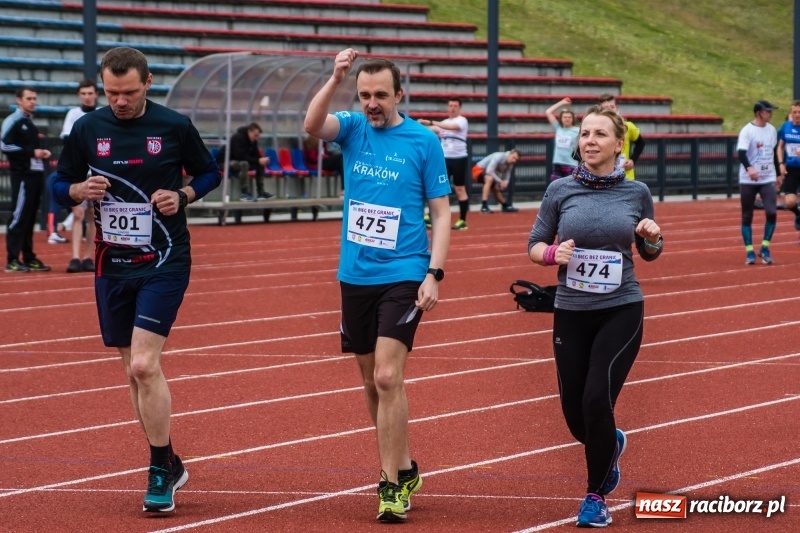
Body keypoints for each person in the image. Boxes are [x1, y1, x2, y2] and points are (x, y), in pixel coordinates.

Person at [51, 46, 221, 512]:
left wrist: (183, 195)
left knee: (145, 365)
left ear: (147, 83)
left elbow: (210, 173)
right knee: (132, 370)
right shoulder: (87, 129)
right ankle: (170, 459)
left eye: (128, 92)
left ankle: (158, 468)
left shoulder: (173, 125)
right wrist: (78, 190)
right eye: (111, 93)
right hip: (112, 262)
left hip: (164, 258)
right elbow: (58, 183)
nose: (119, 101)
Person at [303, 48, 450, 522]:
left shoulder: (423, 141)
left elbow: (443, 213)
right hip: (356, 274)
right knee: (370, 381)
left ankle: (390, 484)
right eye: (364, 94)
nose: (371, 102)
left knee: (388, 377)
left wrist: (434, 272)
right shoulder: (351, 129)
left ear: (399, 95)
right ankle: (404, 465)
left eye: (380, 95)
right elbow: (311, 125)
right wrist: (335, 78)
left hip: (404, 270)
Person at [527, 105, 662, 527]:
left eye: (599, 134)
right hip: (571, 310)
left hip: (621, 308)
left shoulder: (636, 192)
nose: (589, 141)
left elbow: (650, 252)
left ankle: (595, 496)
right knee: (574, 413)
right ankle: (610, 445)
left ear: (617, 144)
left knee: (595, 400)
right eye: (585, 134)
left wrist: (652, 237)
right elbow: (534, 244)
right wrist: (552, 254)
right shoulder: (560, 191)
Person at [48, 79, 100, 272]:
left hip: (95, 171)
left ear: (96, 95)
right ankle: (75, 257)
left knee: (92, 215)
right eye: (84, 93)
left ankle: (88, 257)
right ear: (79, 95)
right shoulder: (73, 114)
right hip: (78, 172)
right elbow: (69, 141)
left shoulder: (102, 114)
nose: (87, 96)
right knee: (78, 214)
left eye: (90, 93)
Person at [2, 86, 52, 272]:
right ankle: (12, 259)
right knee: (19, 216)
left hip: (34, 175)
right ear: (19, 100)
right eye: (29, 98)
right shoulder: (14, 120)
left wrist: (39, 154)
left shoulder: (29, 122)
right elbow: (4, 146)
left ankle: (28, 256)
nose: (33, 101)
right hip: (22, 175)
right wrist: (33, 152)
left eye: (34, 98)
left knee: (30, 217)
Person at [738, 100, 780, 264]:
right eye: (768, 111)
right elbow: (741, 153)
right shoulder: (747, 131)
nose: (770, 114)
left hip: (767, 177)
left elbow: (774, 152)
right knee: (747, 215)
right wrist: (749, 168)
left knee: (771, 212)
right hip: (748, 180)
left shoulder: (771, 131)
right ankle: (749, 251)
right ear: (758, 113)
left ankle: (765, 247)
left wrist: (777, 173)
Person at [418, 99, 470, 230]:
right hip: (444, 159)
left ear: (459, 108)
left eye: (455, 106)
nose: (452, 108)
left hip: (459, 159)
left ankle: (462, 220)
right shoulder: (444, 122)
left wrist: (430, 122)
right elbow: (433, 129)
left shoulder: (462, 120)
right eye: (450, 106)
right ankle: (429, 216)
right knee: (437, 187)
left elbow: (452, 127)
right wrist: (418, 125)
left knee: (459, 189)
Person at [215, 122, 274, 201]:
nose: (257, 138)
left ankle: (261, 192)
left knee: (259, 164)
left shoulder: (253, 140)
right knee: (244, 164)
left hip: (239, 161)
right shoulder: (237, 138)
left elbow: (255, 155)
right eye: (255, 135)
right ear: (249, 131)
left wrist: (261, 160)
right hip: (225, 162)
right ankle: (244, 193)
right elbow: (240, 156)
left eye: (258, 136)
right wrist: (258, 160)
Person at [598, 94, 645, 180]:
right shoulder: (596, 128)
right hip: (603, 175)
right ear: (600, 109)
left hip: (625, 176)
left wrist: (633, 160)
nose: (609, 110)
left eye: (612, 107)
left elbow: (641, 143)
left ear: (617, 108)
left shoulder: (628, 126)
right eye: (605, 108)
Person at [776, 100, 800, 236]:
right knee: (790, 202)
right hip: (791, 169)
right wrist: (780, 163)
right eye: (794, 112)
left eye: (799, 112)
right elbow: (780, 146)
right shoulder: (786, 127)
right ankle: (798, 213)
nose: (797, 115)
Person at [472, 149, 520, 213]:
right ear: (510, 153)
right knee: (489, 179)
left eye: (516, 160)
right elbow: (489, 171)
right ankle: (484, 206)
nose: (514, 160)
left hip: (489, 174)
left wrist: (505, 183)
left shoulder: (511, 163)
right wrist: (500, 181)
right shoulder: (499, 156)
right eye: (513, 157)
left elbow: (508, 175)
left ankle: (505, 206)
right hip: (478, 169)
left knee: (495, 188)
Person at [545, 97, 579, 181]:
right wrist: (562, 103)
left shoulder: (577, 130)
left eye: (569, 117)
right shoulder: (558, 128)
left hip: (570, 164)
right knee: (555, 187)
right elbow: (548, 112)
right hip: (557, 163)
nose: (567, 119)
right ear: (561, 119)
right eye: (565, 117)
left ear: (573, 118)